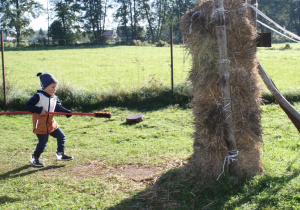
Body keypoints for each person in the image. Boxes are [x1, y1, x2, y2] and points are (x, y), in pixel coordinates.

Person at [26, 72, 73, 167]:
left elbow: (58, 107)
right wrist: (39, 110)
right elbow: (28, 105)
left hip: (51, 122)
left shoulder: (54, 97)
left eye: (55, 87)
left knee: (61, 137)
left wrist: (66, 112)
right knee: (43, 144)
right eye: (52, 87)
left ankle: (60, 154)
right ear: (45, 87)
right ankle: (34, 158)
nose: (54, 89)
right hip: (40, 123)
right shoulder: (38, 96)